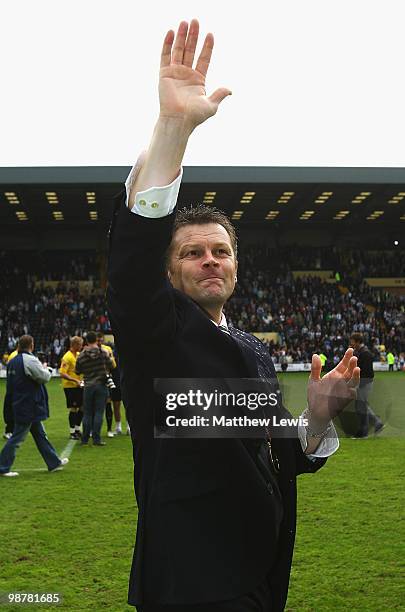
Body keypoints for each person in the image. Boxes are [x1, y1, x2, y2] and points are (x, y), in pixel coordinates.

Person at [107, 19, 360, 611]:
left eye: (221, 251)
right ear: (169, 272)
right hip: (193, 587)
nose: (209, 261)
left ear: (238, 265)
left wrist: (319, 418)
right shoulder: (159, 338)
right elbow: (129, 274)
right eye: (191, 252)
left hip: (261, 574)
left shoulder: (253, 349)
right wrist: (173, 129)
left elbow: (276, 456)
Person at [0, 335, 68, 477]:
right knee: (17, 438)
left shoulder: (12, 361)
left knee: (40, 435)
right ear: (31, 345)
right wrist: (46, 369)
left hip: (19, 402)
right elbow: (44, 378)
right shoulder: (29, 359)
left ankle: (53, 462)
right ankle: (3, 467)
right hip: (29, 404)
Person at [75, 331, 114, 446]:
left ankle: (85, 439)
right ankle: (96, 439)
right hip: (101, 384)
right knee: (98, 412)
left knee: (87, 413)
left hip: (88, 385)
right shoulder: (103, 352)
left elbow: (77, 371)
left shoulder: (81, 355)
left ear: (86, 341)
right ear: (96, 340)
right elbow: (111, 365)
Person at [350, 332, 384, 438]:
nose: (351, 344)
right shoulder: (361, 352)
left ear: (357, 341)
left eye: (352, 342)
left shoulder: (365, 353)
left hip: (365, 384)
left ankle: (363, 432)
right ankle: (377, 423)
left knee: (361, 407)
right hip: (363, 383)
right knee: (362, 405)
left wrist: (358, 385)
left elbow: (367, 373)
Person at [59, 336, 84, 439]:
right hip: (70, 387)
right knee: (73, 408)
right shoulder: (67, 357)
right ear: (74, 345)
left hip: (79, 385)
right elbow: (62, 373)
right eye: (80, 345)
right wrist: (75, 380)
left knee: (82, 407)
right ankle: (72, 431)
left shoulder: (78, 355)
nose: (81, 347)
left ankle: (77, 429)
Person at [96, 332, 117, 438]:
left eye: (101, 340)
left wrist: (109, 357)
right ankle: (93, 430)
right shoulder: (90, 350)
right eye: (97, 340)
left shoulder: (107, 349)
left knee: (108, 404)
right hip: (94, 380)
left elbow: (113, 365)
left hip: (106, 379)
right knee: (94, 406)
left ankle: (109, 429)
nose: (99, 342)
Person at [2, 343, 19, 439]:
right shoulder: (15, 355)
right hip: (14, 387)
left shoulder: (14, 355)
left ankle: (11, 429)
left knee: (12, 408)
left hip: (12, 386)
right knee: (11, 409)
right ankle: (9, 430)